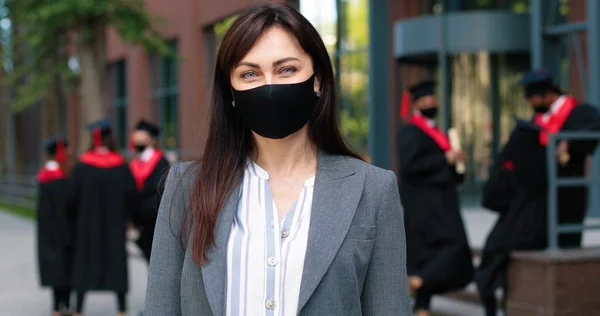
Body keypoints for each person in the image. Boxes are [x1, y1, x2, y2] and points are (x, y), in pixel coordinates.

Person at [145, 4, 410, 316]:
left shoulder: (374, 190)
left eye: (287, 70)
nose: (269, 86)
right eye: (250, 73)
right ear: (231, 90)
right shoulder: (186, 186)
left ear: (318, 80)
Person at [476, 69, 600, 316]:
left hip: (566, 201)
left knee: (565, 249)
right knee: (499, 247)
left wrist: (569, 142)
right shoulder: (535, 123)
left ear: (548, 94)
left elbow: (594, 125)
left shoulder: (577, 112)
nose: (530, 103)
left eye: (532, 97)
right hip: (534, 204)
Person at [396, 80, 474, 316]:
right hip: (426, 205)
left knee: (431, 255)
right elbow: (410, 166)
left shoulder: (437, 132)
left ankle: (421, 305)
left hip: (442, 200)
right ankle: (418, 282)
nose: (431, 102)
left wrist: (456, 166)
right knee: (452, 246)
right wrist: (445, 160)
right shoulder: (410, 131)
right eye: (425, 99)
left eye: (433, 98)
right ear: (416, 104)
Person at [69, 119, 135, 316]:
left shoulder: (82, 167)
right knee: (116, 265)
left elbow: (72, 197)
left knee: (84, 264)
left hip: (87, 227)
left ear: (94, 140)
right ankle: (121, 309)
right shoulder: (121, 167)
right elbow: (131, 194)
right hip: (114, 226)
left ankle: (78, 309)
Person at [36, 135, 74, 316]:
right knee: (64, 268)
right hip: (63, 230)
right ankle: (65, 304)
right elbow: (65, 207)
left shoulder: (43, 176)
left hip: (47, 232)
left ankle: (55, 307)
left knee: (53, 269)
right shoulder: (60, 178)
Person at [129, 119, 170, 262]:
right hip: (141, 222)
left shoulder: (160, 162)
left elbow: (160, 191)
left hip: (154, 218)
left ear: (151, 140)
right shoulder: (135, 163)